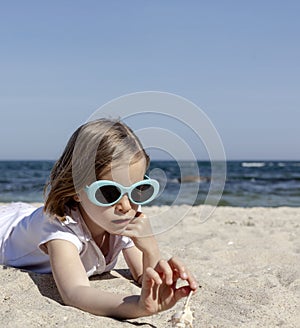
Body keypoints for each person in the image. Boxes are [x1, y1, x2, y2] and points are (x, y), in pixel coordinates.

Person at [0, 118, 198, 319]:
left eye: (138, 190)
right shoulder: (61, 229)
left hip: (26, 215)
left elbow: (143, 276)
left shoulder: (118, 220)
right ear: (77, 189)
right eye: (109, 192)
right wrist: (137, 306)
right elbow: (75, 292)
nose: (126, 206)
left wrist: (151, 249)